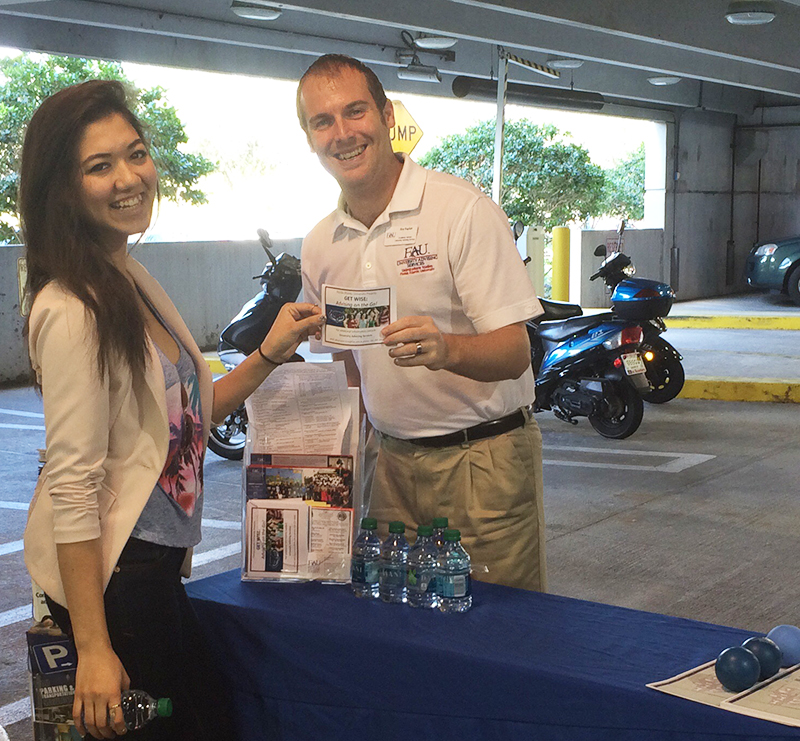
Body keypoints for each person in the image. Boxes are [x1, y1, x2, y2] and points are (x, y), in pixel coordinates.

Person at [20, 80, 324, 741]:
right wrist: (94, 648)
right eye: (99, 166)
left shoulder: (127, 276)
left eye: (136, 153)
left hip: (153, 574)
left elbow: (190, 419)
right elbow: (72, 484)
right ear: (62, 189)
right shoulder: (72, 308)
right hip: (118, 583)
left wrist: (268, 353)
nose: (129, 177)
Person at [296, 54, 546, 592]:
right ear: (310, 138)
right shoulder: (320, 244)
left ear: (387, 116)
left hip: (483, 460)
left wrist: (448, 350)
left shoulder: (461, 210)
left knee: (503, 625)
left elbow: (515, 352)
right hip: (388, 467)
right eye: (323, 121)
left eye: (355, 111)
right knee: (398, 627)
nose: (343, 133)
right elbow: (346, 363)